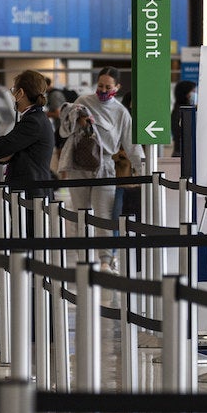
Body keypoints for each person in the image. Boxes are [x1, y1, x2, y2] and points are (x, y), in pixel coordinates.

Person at [58, 66, 144, 269]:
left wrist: (143, 172)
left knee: (103, 216)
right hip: (79, 165)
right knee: (80, 214)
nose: (103, 90)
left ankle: (106, 260)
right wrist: (78, 119)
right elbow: (64, 131)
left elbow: (132, 145)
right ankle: (84, 259)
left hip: (105, 167)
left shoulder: (121, 113)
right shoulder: (83, 102)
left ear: (117, 87)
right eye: (100, 85)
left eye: (108, 87)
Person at [0, 69, 55, 196]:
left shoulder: (32, 122)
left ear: (21, 93)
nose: (13, 95)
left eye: (14, 90)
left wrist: (7, 151)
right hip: (32, 190)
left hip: (32, 194)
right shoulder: (36, 117)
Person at [170, 79, 197, 158]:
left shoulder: (184, 109)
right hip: (183, 154)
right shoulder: (182, 111)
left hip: (184, 152)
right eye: (192, 91)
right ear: (185, 93)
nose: (195, 94)